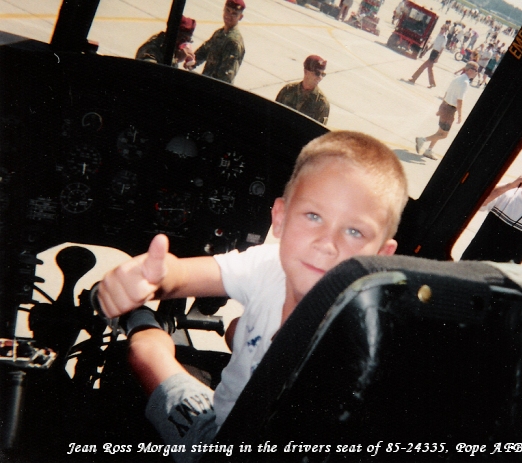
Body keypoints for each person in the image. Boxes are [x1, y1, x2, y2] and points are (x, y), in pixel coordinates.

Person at [93, 131, 408, 463]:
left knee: (143, 353)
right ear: (280, 218)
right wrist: (151, 277)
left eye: (354, 231)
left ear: (381, 255)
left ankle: (139, 319)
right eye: (314, 216)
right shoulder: (267, 265)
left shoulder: (363, 334)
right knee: (239, 326)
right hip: (241, 415)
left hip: (223, 441)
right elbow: (181, 276)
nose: (327, 244)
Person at [460, 161, 522, 264]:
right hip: (474, 258)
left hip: (504, 271)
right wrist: (511, 185)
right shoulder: (506, 191)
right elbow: (477, 203)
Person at [415, 61, 479, 160]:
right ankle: (422, 139)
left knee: (439, 132)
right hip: (450, 110)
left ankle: (429, 150)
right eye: (476, 71)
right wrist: (460, 115)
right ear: (470, 70)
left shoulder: (457, 78)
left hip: (445, 105)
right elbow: (459, 101)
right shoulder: (465, 83)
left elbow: (447, 93)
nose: (477, 73)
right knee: (444, 135)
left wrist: (441, 108)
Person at [188, 0, 246, 85]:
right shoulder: (220, 33)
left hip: (215, 90)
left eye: (234, 13)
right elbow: (205, 50)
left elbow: (226, 77)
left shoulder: (233, 42)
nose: (229, 15)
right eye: (227, 10)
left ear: (240, 17)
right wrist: (192, 61)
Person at [275, 55, 331, 125]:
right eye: (317, 73)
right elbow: (274, 114)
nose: (320, 77)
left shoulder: (321, 103)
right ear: (306, 72)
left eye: (323, 74)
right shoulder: (287, 90)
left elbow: (319, 132)